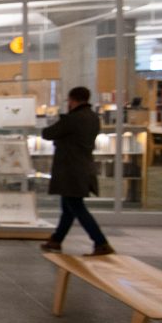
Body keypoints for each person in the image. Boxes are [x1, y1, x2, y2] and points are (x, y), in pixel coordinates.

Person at [41, 86, 113, 256]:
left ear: (72, 100)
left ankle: (100, 242)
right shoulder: (93, 118)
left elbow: (48, 133)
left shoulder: (72, 119)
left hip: (70, 170)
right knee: (68, 207)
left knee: (76, 207)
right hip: (83, 167)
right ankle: (56, 240)